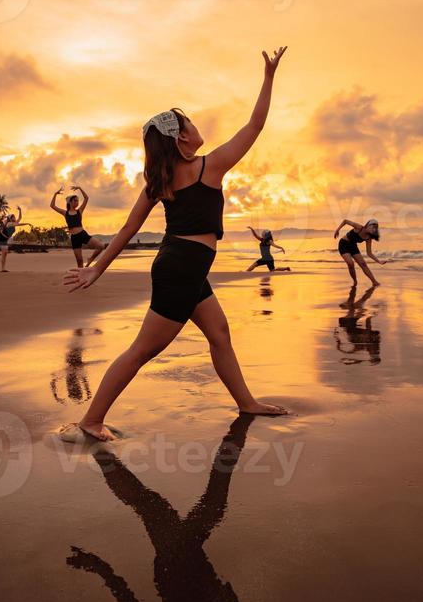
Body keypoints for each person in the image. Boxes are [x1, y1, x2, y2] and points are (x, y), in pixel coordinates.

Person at [62, 45, 290, 441]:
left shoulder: (162, 180)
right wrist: (269, 77)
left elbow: (129, 228)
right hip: (183, 267)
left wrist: (97, 269)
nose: (197, 127)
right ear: (181, 137)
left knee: (219, 333)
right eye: (190, 123)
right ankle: (91, 420)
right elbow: (255, 125)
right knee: (143, 350)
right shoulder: (210, 165)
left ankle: (246, 402)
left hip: (184, 265)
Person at [50, 185, 105, 268]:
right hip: (74, 238)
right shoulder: (65, 213)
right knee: (80, 262)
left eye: (78, 201)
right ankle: (80, 277)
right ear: (70, 202)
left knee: (101, 246)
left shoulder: (79, 211)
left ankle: (91, 259)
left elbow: (86, 198)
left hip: (82, 234)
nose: (77, 202)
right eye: (75, 201)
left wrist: (80, 188)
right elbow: (52, 206)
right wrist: (55, 194)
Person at [334, 218, 387, 286]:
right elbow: (345, 221)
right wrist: (338, 229)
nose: (374, 229)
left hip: (353, 246)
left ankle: (374, 282)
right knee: (351, 263)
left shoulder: (368, 238)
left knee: (363, 264)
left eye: (375, 228)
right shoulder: (359, 227)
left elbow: (369, 253)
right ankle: (355, 281)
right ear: (368, 225)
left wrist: (379, 261)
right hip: (343, 244)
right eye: (373, 226)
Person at [0, 207, 30, 272]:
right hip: (1, 238)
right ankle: (2, 268)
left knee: (5, 254)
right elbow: (18, 224)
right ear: (10, 219)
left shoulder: (14, 223)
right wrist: (26, 224)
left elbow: (20, 218)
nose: (14, 217)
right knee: (3, 253)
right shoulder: (9, 224)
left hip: (4, 239)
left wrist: (20, 210)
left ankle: (3, 268)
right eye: (13, 217)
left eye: (14, 216)